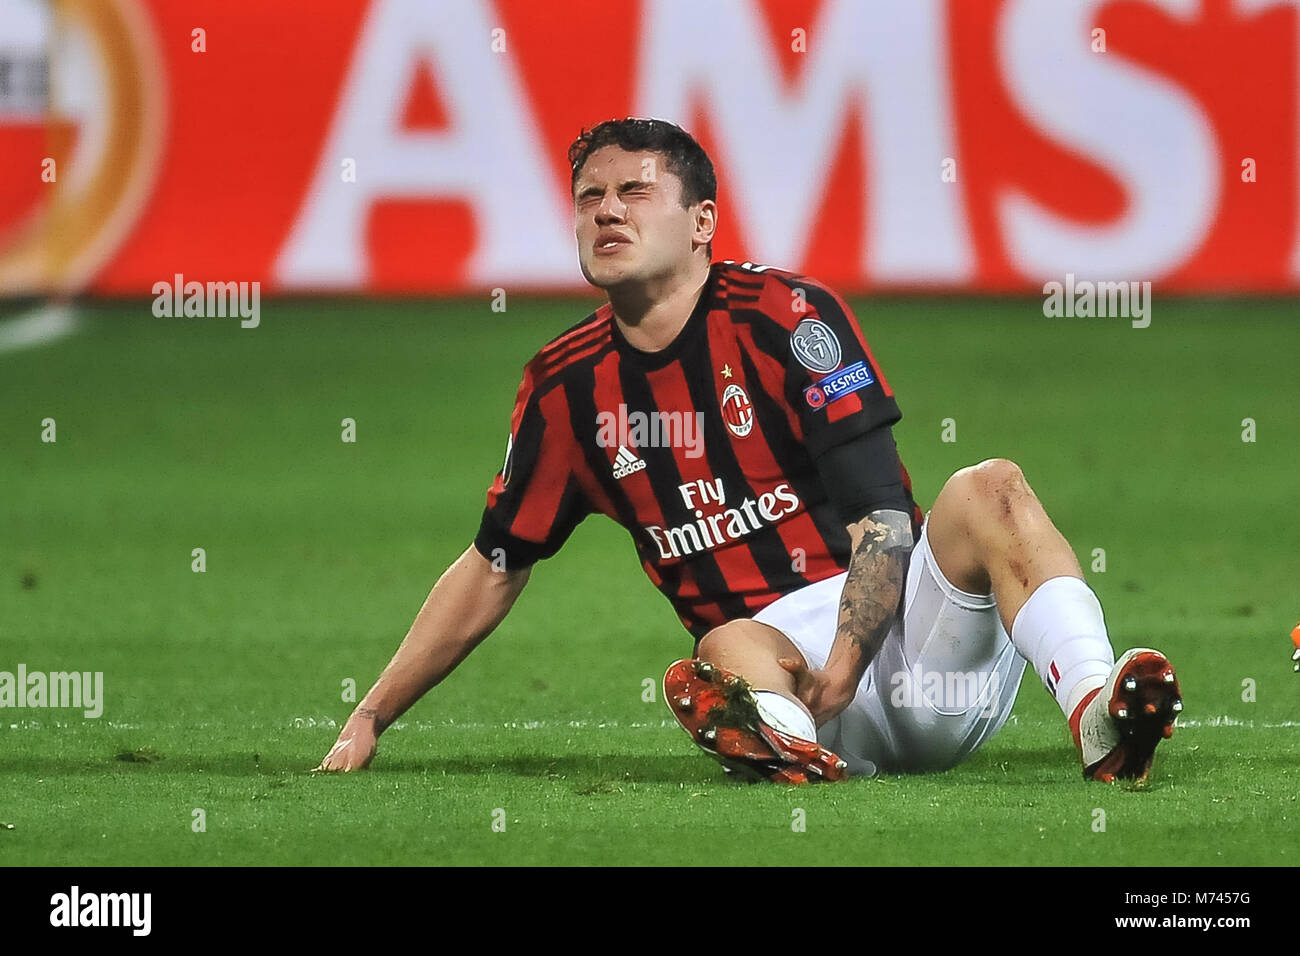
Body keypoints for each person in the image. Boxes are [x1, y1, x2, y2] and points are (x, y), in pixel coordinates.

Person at [316, 117, 1182, 784]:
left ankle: (1098, 716)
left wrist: (849, 662)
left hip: (917, 646)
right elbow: (495, 563)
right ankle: (786, 750)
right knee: (723, 641)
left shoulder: (784, 320)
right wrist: (372, 715)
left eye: (633, 191)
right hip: (781, 671)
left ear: (702, 222)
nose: (606, 209)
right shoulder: (564, 390)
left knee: (988, 486)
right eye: (588, 196)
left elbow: (882, 514)